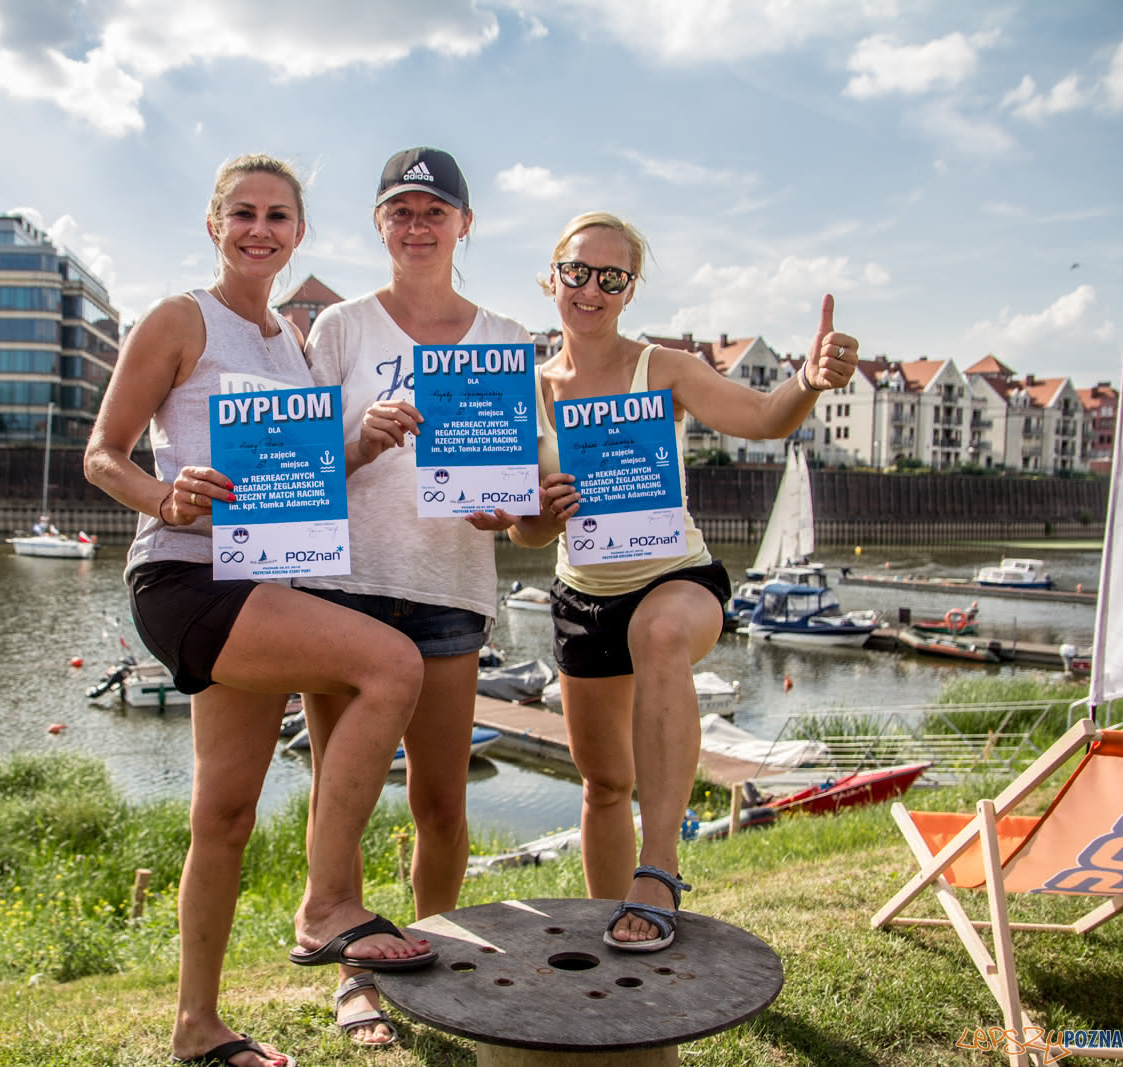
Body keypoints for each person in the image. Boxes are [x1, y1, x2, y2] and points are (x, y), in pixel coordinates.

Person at [82, 154, 435, 1067]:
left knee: (226, 816)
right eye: (243, 212)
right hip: (186, 579)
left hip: (262, 581)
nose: (260, 229)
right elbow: (101, 454)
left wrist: (365, 437)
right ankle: (326, 903)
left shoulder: (289, 340)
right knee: (392, 664)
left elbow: (300, 482)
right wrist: (165, 497)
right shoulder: (177, 319)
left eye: (278, 216)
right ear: (214, 224)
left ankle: (197, 1029)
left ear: (299, 234)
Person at [507, 211, 859, 953]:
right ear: (552, 278)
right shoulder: (527, 389)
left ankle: (659, 867)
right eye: (578, 271)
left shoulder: (661, 367)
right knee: (603, 784)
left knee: (660, 632)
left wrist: (808, 380)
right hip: (582, 596)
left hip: (675, 575)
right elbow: (526, 533)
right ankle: (613, 933)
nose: (592, 288)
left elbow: (762, 417)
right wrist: (540, 510)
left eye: (613, 276)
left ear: (630, 290)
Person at [296, 146, 532, 1047]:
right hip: (346, 587)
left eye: (435, 210)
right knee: (340, 796)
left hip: (449, 588)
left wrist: (508, 506)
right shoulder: (343, 329)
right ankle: (355, 970)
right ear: (379, 225)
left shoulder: (506, 335)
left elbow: (517, 495)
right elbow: (306, 462)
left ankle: (431, 963)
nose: (418, 224)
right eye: (401, 209)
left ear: (464, 224)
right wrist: (360, 435)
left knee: (441, 801)